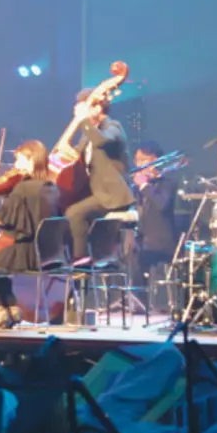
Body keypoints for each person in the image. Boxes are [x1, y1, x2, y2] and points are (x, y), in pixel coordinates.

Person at [0, 140, 58, 328]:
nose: (15, 165)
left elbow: (3, 220)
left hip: (26, 254)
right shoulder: (51, 187)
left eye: (19, 159)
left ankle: (0, 310)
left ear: (31, 160)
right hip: (49, 254)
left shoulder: (23, 188)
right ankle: (12, 309)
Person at [60, 91, 134, 260]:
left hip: (112, 195)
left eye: (84, 107)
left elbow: (101, 141)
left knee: (74, 213)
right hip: (96, 193)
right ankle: (70, 257)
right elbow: (75, 156)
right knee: (63, 211)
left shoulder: (113, 127)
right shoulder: (89, 135)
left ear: (98, 108)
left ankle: (81, 262)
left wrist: (83, 120)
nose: (78, 111)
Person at [132, 140, 179, 303]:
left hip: (161, 242)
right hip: (140, 238)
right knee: (126, 252)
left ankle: (142, 301)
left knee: (137, 256)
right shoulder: (136, 185)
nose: (140, 165)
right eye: (137, 160)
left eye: (144, 160)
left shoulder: (168, 182)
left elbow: (162, 205)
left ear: (156, 161)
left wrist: (144, 186)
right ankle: (134, 301)